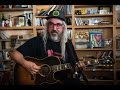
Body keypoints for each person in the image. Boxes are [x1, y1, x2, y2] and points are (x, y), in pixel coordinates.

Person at [9, 10, 86, 86]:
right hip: (39, 81)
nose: (54, 28)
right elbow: (13, 53)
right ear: (47, 26)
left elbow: (73, 66)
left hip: (61, 80)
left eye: (58, 25)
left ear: (63, 27)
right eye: (51, 24)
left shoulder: (68, 44)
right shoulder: (38, 41)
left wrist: (79, 67)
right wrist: (26, 64)